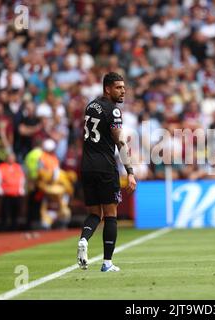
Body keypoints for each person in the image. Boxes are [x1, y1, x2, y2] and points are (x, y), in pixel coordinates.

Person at [77, 72, 137, 272]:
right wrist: (130, 171)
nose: (123, 91)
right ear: (107, 89)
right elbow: (120, 141)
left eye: (124, 87)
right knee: (111, 215)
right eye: (119, 87)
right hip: (105, 166)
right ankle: (107, 263)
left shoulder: (91, 106)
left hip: (86, 166)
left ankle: (84, 240)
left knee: (94, 213)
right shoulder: (114, 111)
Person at [0, 152, 26, 231]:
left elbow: (22, 179)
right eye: (10, 157)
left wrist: (22, 190)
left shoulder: (18, 167)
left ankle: (14, 227)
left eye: (12, 157)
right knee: (5, 212)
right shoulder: (1, 167)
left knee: (16, 212)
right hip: (6, 194)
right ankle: (3, 228)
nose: (11, 159)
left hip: (16, 194)